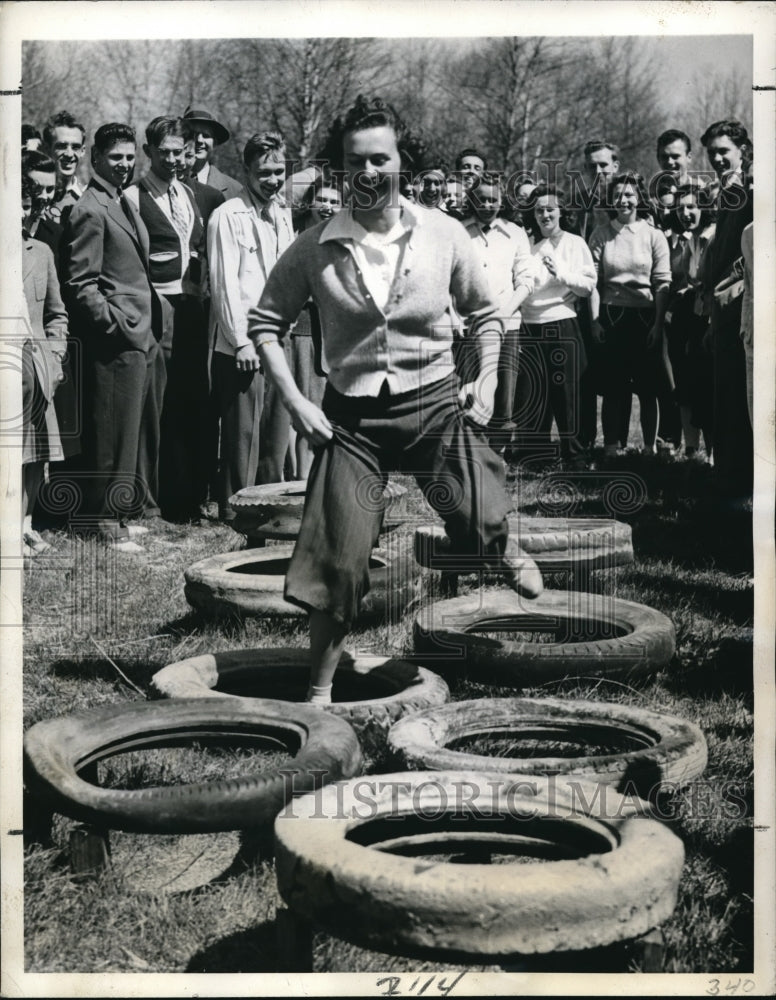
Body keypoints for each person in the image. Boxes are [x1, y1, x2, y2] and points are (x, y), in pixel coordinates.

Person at [247, 95, 543, 705]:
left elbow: (486, 314)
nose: (368, 171)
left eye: (380, 158)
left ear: (402, 160)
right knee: (338, 559)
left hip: (434, 404)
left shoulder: (443, 233)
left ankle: (501, 544)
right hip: (351, 420)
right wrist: (298, 402)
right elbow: (265, 324)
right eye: (355, 161)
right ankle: (320, 693)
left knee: (480, 507)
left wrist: (487, 378)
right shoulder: (315, 245)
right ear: (340, 168)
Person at [61, 122, 163, 550]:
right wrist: (116, 325)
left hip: (139, 337)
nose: (124, 164)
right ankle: (101, 521)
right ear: (96, 158)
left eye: (129, 157)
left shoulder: (120, 200)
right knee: (110, 433)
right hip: (116, 341)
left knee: (128, 433)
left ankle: (119, 513)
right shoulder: (90, 208)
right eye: (115, 157)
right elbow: (80, 284)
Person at [124, 116, 209, 522]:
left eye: (179, 152)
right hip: (157, 309)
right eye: (165, 153)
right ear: (148, 152)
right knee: (153, 407)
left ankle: (181, 497)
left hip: (191, 309)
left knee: (184, 403)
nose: (173, 160)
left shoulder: (187, 193)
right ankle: (146, 502)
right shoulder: (133, 197)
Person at [207, 130, 295, 520]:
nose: (272, 180)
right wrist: (240, 341)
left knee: (276, 429)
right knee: (243, 433)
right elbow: (224, 284)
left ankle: (269, 506)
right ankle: (235, 508)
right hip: (243, 344)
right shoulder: (228, 216)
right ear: (246, 171)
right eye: (264, 173)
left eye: (278, 172)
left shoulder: (282, 214)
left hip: (278, 337)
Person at [589, 171, 672, 460]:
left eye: (628, 194)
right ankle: (611, 447)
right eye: (617, 195)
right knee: (614, 387)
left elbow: (662, 282)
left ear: (639, 198)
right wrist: (595, 321)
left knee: (648, 388)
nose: (623, 200)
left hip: (645, 318)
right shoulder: (601, 234)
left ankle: (649, 448)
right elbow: (594, 282)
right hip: (612, 317)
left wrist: (658, 325)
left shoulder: (654, 235)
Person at [520, 184, 596, 467]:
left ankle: (575, 456)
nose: (545, 215)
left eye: (550, 209)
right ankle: (536, 456)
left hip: (563, 323)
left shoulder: (575, 243)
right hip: (529, 325)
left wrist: (561, 274)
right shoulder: (526, 245)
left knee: (568, 394)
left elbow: (588, 286)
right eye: (539, 210)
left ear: (561, 212)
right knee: (534, 392)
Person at [462, 172, 537, 455]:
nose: (486, 205)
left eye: (493, 199)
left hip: (507, 324)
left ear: (502, 200)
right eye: (481, 199)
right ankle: (472, 453)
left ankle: (498, 455)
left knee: (504, 390)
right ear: (472, 200)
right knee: (471, 388)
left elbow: (526, 279)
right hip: (468, 323)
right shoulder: (459, 231)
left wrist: (505, 314)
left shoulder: (515, 233)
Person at [700, 119, 753, 495]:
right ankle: (727, 473)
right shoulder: (726, 190)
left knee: (738, 394)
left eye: (724, 151)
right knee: (724, 392)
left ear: (742, 150)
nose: (717, 158)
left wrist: (725, 289)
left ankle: (737, 481)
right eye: (712, 153)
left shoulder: (749, 188)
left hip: (738, 303)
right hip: (721, 307)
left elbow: (746, 250)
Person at [21, 175, 67, 556]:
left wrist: (54, 357)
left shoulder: (42, 252)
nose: (24, 215)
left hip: (36, 369)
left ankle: (25, 524)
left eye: (28, 206)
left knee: (34, 452)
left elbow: (56, 314)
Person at [288, 174, 343, 478]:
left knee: (320, 409)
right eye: (322, 199)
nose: (327, 206)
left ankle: (309, 480)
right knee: (297, 408)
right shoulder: (291, 232)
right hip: (299, 332)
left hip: (331, 337)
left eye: (335, 201)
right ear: (310, 201)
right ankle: (294, 480)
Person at [665, 181, 716, 459]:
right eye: (680, 208)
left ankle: (715, 454)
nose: (685, 213)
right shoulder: (692, 241)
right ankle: (694, 451)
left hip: (714, 320)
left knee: (710, 387)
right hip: (696, 317)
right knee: (691, 384)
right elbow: (690, 280)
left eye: (692, 207)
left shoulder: (713, 237)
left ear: (704, 208)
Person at [181, 106, 242, 201]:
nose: (199, 140)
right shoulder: (167, 181)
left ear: (215, 143)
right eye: (193, 135)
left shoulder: (235, 190)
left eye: (206, 135)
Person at [42, 110, 87, 220]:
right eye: (62, 146)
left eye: (75, 147)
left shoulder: (86, 200)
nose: (69, 154)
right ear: (47, 149)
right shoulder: (32, 196)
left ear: (82, 151)